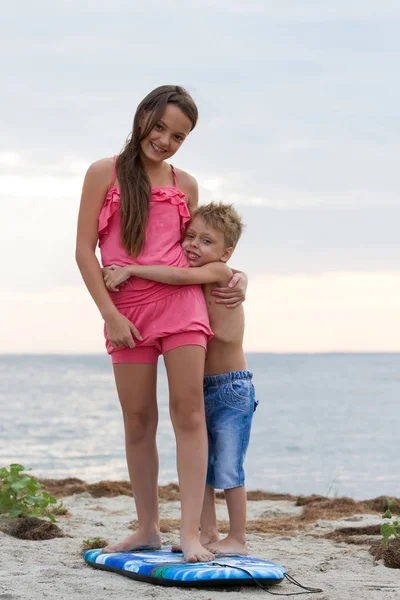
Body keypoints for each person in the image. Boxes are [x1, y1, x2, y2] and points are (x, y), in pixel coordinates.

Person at [75, 86, 247, 563]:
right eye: (161, 128)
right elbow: (83, 251)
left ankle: (190, 533)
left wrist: (239, 274)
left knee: (189, 412)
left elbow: (204, 250)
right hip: (126, 312)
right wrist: (109, 315)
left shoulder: (184, 183)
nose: (167, 141)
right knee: (138, 421)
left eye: (179, 136)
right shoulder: (101, 173)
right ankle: (148, 528)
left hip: (181, 306)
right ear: (143, 117)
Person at [103, 202, 256, 555]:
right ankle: (207, 531)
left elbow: (179, 277)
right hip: (206, 385)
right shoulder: (216, 270)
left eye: (206, 241)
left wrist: (130, 270)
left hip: (231, 386)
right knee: (204, 466)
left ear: (225, 252)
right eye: (189, 237)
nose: (192, 246)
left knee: (230, 467)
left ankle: (238, 538)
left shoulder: (217, 272)